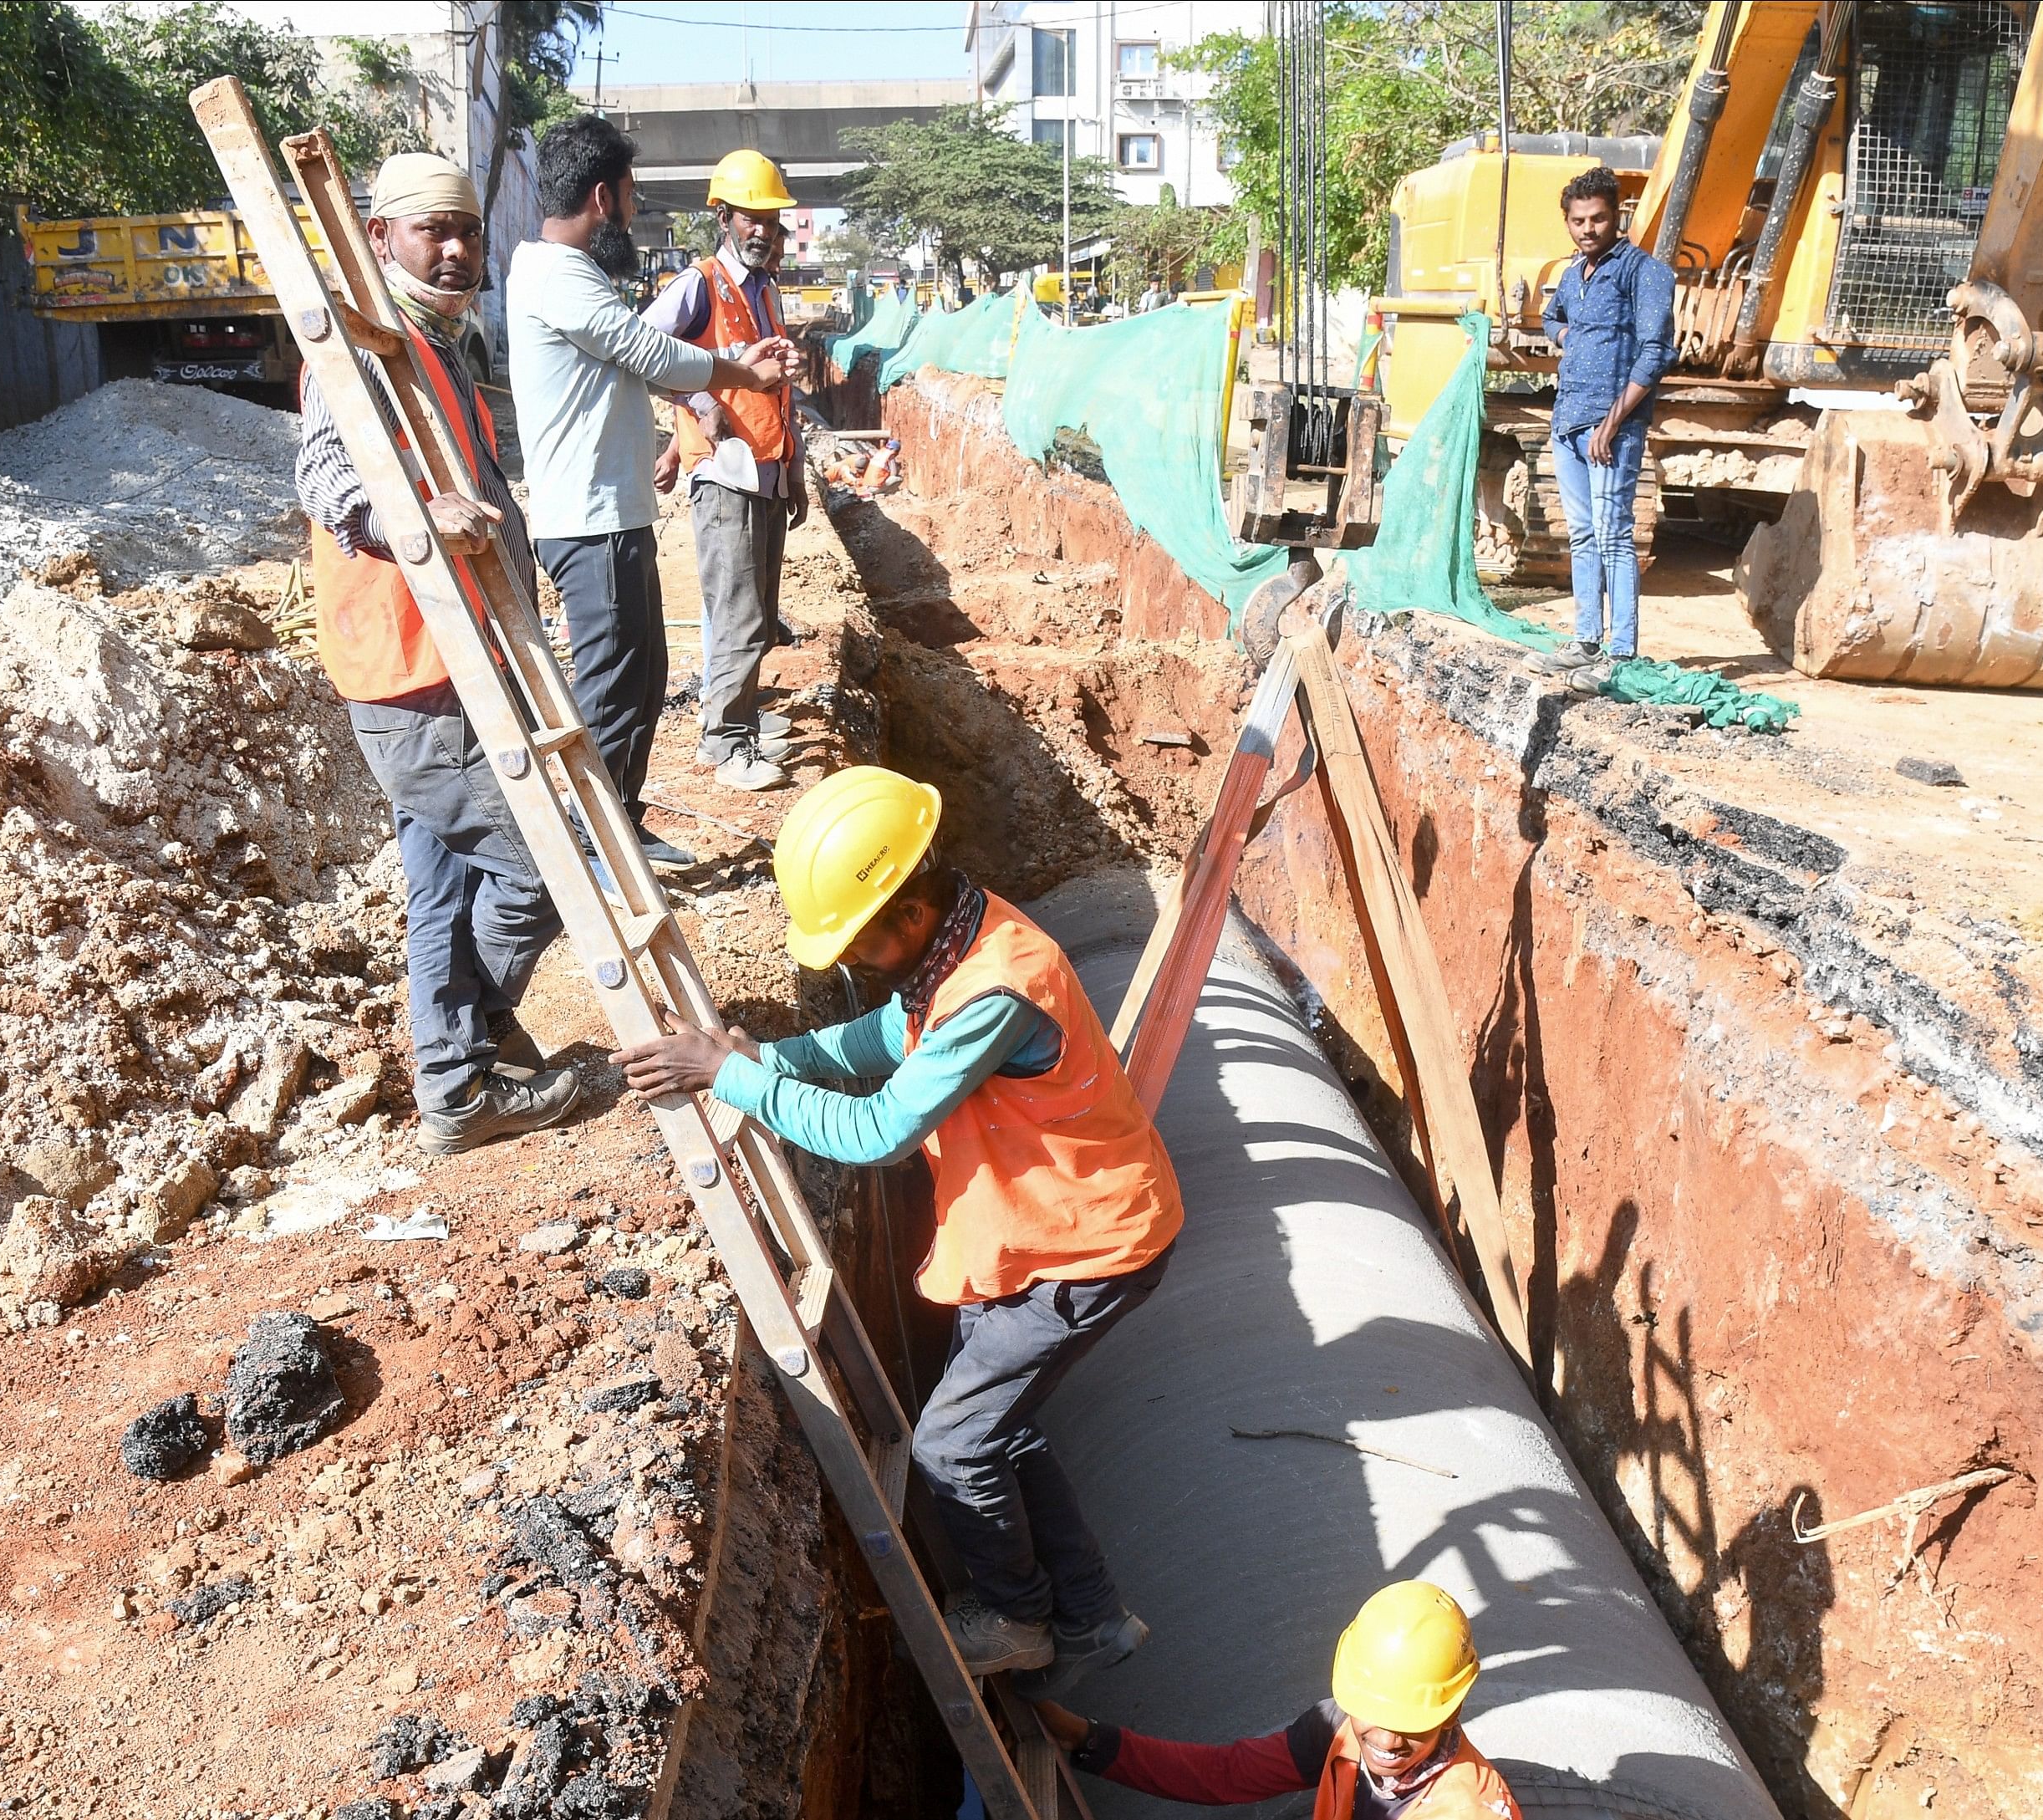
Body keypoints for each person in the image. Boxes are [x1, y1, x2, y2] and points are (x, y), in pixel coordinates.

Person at [611, 767, 1183, 1679]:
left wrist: (732, 1078)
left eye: (855, 941)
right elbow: (889, 1035)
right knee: (1000, 1425)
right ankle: (1092, 1617)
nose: (846, 961)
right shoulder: (960, 934)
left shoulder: (995, 985)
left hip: (1087, 1246)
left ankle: (1020, 1618)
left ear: (909, 917)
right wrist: (774, 1054)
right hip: (1033, 1234)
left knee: (956, 1443)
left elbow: (878, 1130)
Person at [292, 152, 578, 1155]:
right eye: (430, 231)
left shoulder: (438, 343)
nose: (456, 249)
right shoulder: (362, 349)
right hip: (414, 667)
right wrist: (410, 517)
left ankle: (458, 1078)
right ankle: (475, 1045)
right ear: (379, 237)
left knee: (446, 886)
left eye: (464, 229)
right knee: (543, 867)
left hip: (457, 656)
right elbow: (327, 476)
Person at [507, 115, 799, 870]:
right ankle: (593, 850)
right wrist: (741, 374)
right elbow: (647, 350)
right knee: (611, 691)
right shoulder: (556, 274)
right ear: (604, 196)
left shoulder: (571, 275)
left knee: (643, 681)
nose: (635, 215)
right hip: (589, 519)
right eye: (633, 199)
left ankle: (623, 824)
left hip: (620, 511)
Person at [1033, 1582, 1524, 1819]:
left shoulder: (1465, 1812)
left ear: (1453, 1710)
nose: (1388, 1740)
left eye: (1411, 1720)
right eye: (1374, 1711)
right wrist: (1090, 1739)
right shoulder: (1337, 1730)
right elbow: (1226, 1774)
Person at [643, 149, 808, 796]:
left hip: (764, 472)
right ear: (723, 216)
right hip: (725, 476)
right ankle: (725, 742)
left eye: (770, 216)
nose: (762, 228)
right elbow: (643, 353)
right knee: (737, 616)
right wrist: (701, 403)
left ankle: (736, 717)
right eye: (749, 216)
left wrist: (792, 465)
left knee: (759, 614)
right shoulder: (698, 284)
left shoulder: (765, 292)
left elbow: (775, 391)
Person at [1536, 166, 1673, 676]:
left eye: (1597, 218)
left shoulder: (1644, 272)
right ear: (1568, 223)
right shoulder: (1575, 275)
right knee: (1581, 535)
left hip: (1611, 429)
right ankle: (1587, 641)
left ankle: (1620, 653)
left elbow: (1656, 354)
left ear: (1617, 217)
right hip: (1569, 421)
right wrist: (1568, 338)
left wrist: (1612, 424)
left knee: (1614, 534)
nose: (1587, 229)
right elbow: (1553, 317)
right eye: (1578, 220)